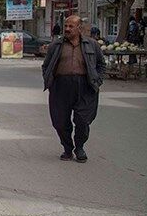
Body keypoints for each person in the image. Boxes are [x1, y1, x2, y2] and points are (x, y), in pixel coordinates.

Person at [42, 15, 105, 163]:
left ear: (79, 28)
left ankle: (80, 147)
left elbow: (101, 65)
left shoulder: (92, 45)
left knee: (83, 120)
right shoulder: (56, 45)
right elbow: (46, 66)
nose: (67, 29)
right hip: (60, 86)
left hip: (85, 86)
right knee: (59, 121)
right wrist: (49, 80)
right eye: (66, 26)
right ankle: (67, 148)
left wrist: (98, 80)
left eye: (71, 26)